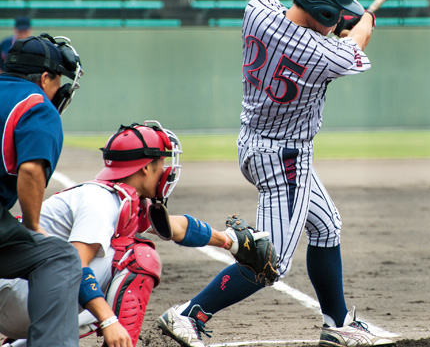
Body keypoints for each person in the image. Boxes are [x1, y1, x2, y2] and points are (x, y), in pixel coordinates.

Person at [157, 0, 396, 347]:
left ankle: (337, 323)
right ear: (323, 13)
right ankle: (190, 315)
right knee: (270, 263)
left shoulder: (257, 11)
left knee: (326, 225)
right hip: (286, 159)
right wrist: (364, 19)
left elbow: (313, 26)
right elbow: (355, 44)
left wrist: (339, 24)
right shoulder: (327, 55)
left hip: (253, 142)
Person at [0, 121, 260, 347]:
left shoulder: (117, 197)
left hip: (23, 294)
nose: (165, 170)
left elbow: (173, 226)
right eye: (161, 162)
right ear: (146, 168)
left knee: (115, 262)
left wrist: (229, 241)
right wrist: (109, 320)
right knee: (138, 257)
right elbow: (75, 265)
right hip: (18, 295)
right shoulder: (101, 202)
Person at [0, 33, 84, 347]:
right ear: (45, 77)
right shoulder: (37, 105)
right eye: (57, 80)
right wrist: (33, 227)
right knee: (58, 255)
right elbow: (32, 170)